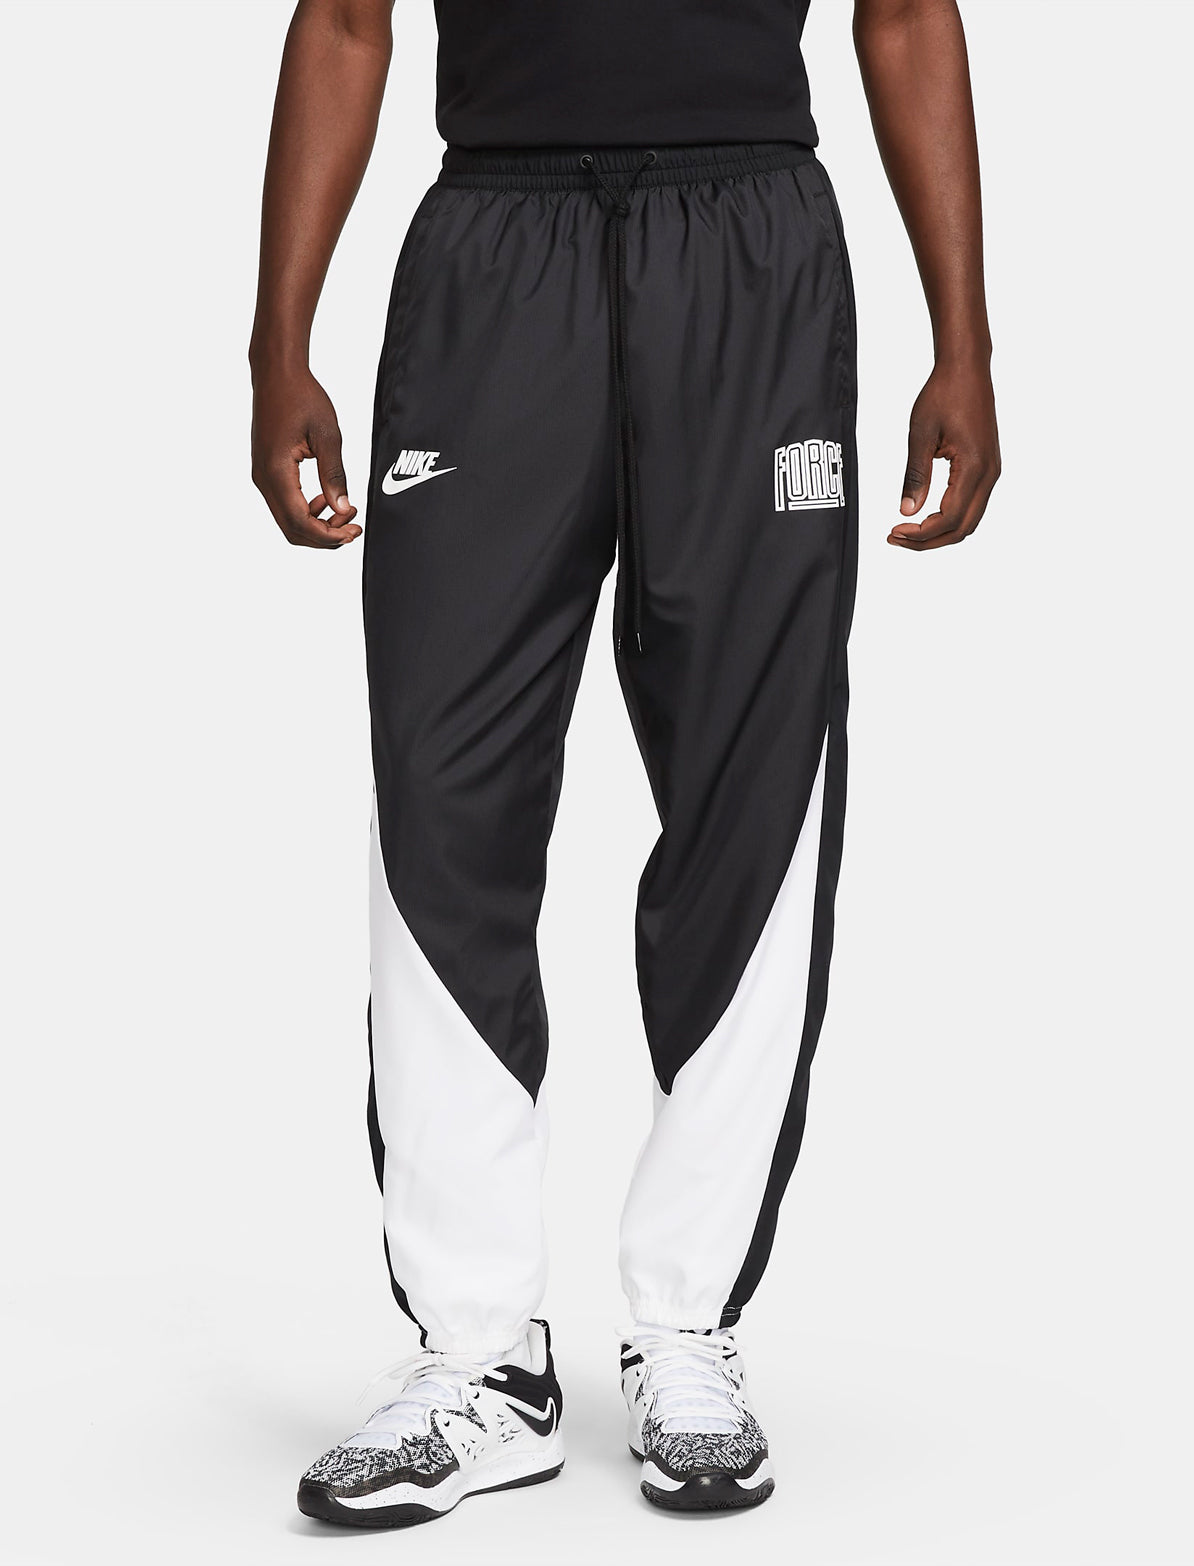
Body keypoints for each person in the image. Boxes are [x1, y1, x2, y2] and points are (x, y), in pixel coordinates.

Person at [250, 0, 1000, 1527]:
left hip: (749, 250)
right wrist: (278, 343)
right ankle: (478, 1357)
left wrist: (963, 344)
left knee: (753, 779)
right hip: (495, 244)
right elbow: (343, 20)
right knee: (438, 781)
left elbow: (906, 12)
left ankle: (686, 1323)